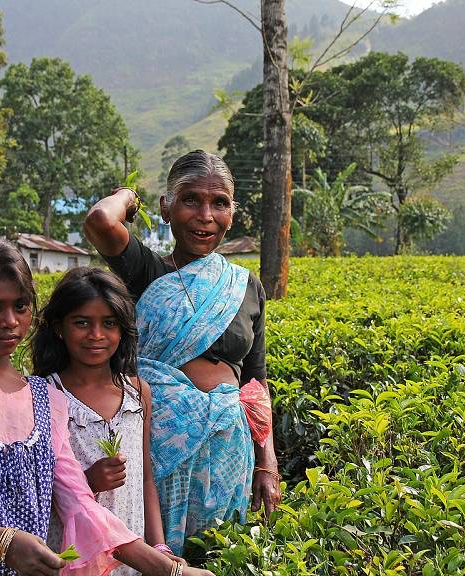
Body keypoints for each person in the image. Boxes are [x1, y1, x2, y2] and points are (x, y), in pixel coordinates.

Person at [0, 237, 213, 576]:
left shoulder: (44, 399)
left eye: (21, 306)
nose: (9, 321)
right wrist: (1, 542)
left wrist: (172, 571)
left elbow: (81, 505)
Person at [84, 150, 281, 554]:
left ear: (232, 213)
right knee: (156, 557)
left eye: (219, 203)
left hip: (228, 451)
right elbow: (101, 220)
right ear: (166, 208)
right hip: (155, 452)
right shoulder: (145, 271)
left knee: (218, 555)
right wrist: (127, 196)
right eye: (190, 200)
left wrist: (268, 462)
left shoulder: (245, 286)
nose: (205, 216)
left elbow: (255, 383)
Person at [30, 267, 175, 575]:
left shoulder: (137, 392)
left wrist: (160, 549)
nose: (96, 335)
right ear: (59, 328)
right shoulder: (43, 395)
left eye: (109, 323)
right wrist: (88, 481)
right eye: (82, 323)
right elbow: (36, 490)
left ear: (122, 330)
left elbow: (145, 479)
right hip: (74, 559)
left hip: (134, 558)